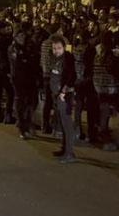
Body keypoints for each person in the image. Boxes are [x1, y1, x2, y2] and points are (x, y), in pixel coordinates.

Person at [49, 34, 77, 163]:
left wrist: (63, 91)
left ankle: (69, 152)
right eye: (54, 48)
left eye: (59, 48)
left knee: (67, 124)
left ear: (64, 47)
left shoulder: (68, 58)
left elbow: (71, 76)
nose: (56, 51)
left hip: (64, 95)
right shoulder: (55, 58)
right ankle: (64, 148)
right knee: (62, 122)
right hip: (56, 94)